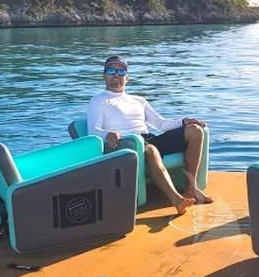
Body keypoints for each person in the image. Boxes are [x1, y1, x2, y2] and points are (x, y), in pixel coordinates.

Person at [86, 55, 213, 214]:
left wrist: (183, 121)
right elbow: (93, 131)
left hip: (148, 139)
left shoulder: (138, 100)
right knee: (151, 149)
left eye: (121, 72)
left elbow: (161, 124)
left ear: (127, 78)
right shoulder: (98, 101)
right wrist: (107, 134)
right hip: (126, 143)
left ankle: (191, 188)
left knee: (195, 131)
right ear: (104, 76)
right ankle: (176, 199)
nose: (116, 75)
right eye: (111, 71)